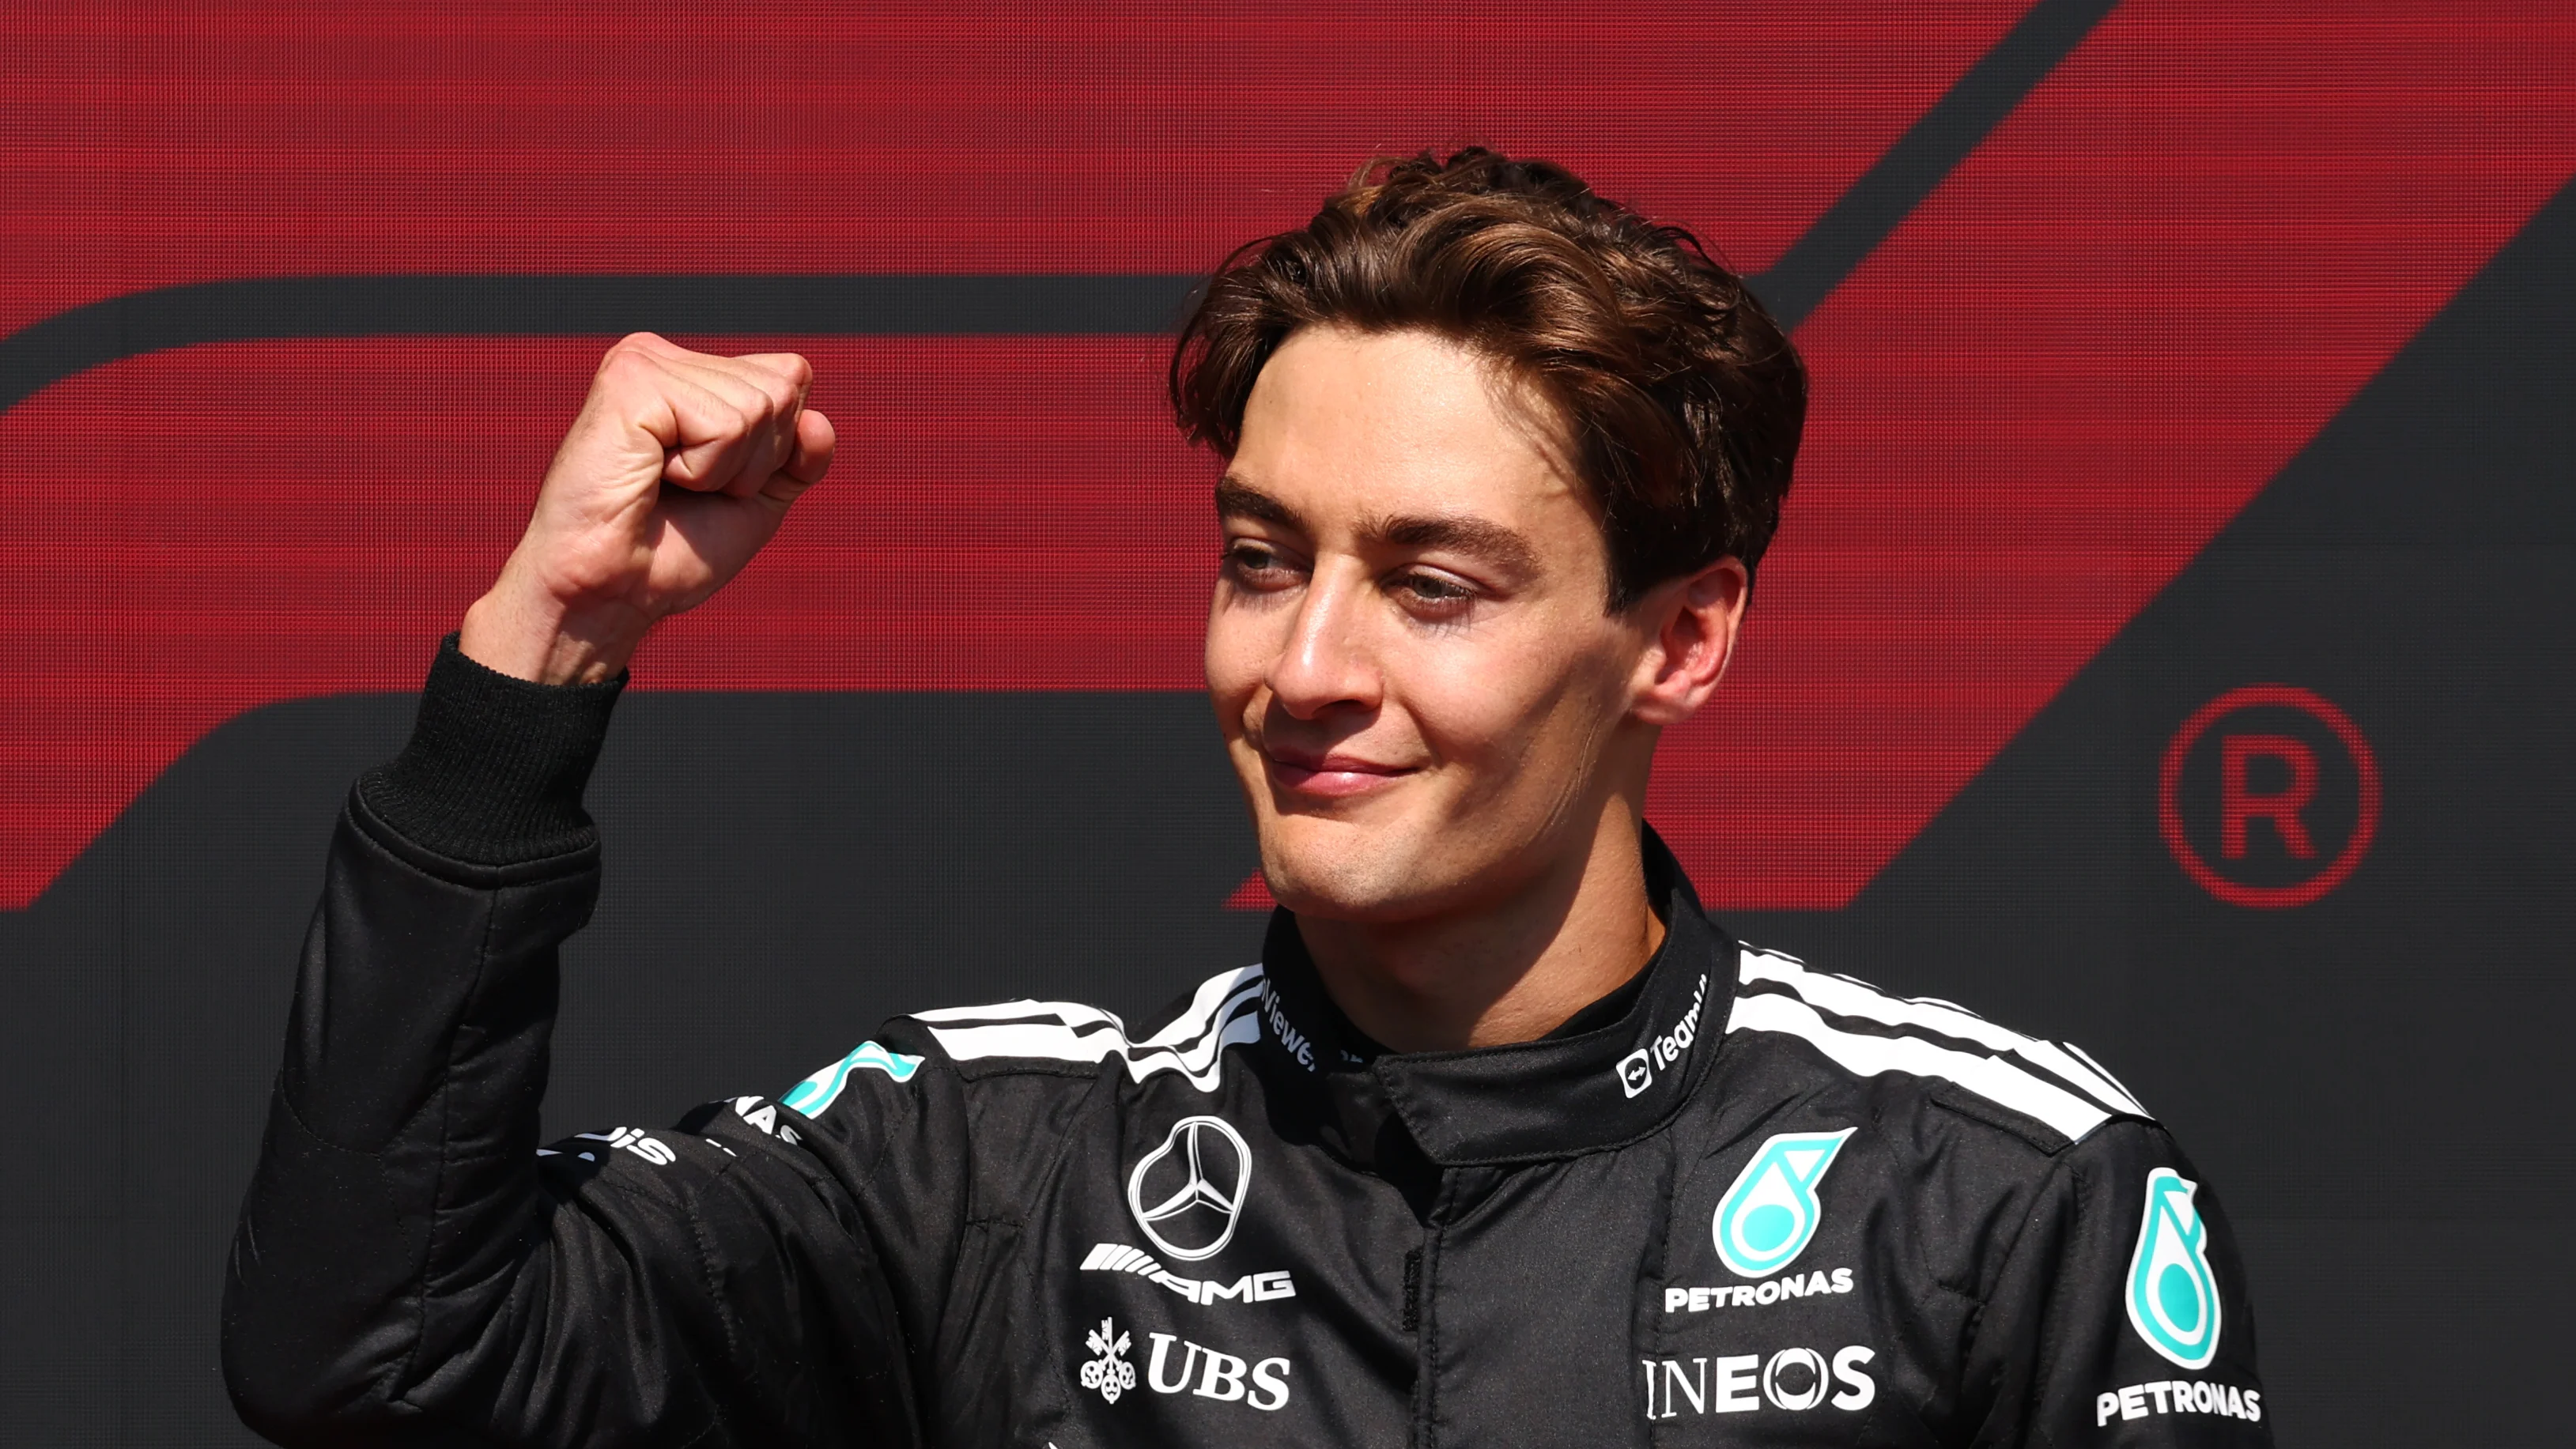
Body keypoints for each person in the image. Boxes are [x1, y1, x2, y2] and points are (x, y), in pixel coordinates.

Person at [221, 149, 2270, 1447]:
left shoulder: (2007, 1202)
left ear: (1685, 641)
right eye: (1266, 559)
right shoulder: (1000, 1164)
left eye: (1435, 584)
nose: (1302, 670)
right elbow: (384, 1357)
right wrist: (540, 653)